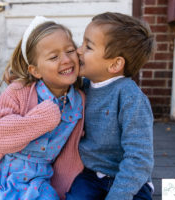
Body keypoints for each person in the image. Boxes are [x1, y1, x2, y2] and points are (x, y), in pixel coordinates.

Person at [0, 16, 86, 200]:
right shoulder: (18, 91)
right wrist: (40, 121)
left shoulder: (79, 101)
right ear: (35, 70)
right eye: (54, 57)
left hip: (40, 181)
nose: (66, 59)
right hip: (1, 176)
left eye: (70, 50)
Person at [66, 12, 155, 200]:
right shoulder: (83, 87)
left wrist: (119, 195)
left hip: (130, 181)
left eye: (88, 46)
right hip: (91, 175)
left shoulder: (130, 97)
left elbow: (139, 157)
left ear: (115, 64)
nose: (78, 51)